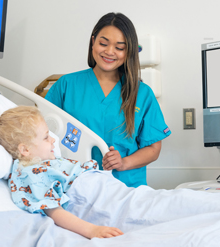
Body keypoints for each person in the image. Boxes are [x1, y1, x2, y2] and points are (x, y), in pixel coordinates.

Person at [45, 12, 171, 188]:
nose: (109, 52)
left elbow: (153, 149)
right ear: (93, 41)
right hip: (74, 186)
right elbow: (43, 133)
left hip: (125, 188)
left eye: (120, 47)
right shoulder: (66, 85)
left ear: (129, 51)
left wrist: (123, 163)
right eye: (103, 43)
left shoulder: (142, 94)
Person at [0, 106, 124, 239]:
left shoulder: (45, 162)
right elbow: (53, 210)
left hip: (109, 188)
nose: (53, 139)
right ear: (25, 149)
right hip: (93, 196)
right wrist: (92, 230)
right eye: (46, 137)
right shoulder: (31, 174)